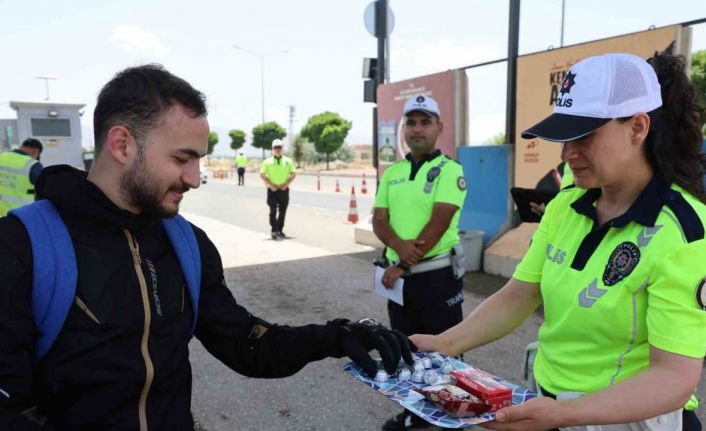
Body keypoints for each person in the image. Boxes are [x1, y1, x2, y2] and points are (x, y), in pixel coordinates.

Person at [0, 64, 414, 430]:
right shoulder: (22, 247)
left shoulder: (186, 244)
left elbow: (248, 345)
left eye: (199, 160)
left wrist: (337, 336)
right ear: (122, 145)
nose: (195, 179)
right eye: (182, 159)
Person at [411, 52, 706, 431]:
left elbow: (674, 378)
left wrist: (566, 414)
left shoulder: (686, 234)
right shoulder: (567, 205)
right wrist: (445, 344)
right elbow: (521, 293)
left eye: (584, 136)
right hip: (552, 408)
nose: (567, 154)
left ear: (637, 127)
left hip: (630, 421)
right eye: (564, 137)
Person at [372, 94, 468, 430]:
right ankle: (416, 412)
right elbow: (379, 221)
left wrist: (401, 264)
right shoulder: (393, 173)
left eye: (425, 121)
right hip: (400, 280)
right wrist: (397, 251)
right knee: (405, 346)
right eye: (410, 122)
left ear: (439, 127)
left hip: (436, 277)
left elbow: (438, 223)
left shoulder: (450, 170)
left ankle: (452, 414)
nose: (416, 129)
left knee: (444, 348)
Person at [260, 139, 296, 240]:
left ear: (282, 149)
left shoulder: (288, 161)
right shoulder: (267, 162)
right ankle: (274, 230)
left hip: (284, 189)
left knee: (282, 210)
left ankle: (280, 230)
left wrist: (286, 183)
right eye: (275, 147)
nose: (277, 149)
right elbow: (262, 174)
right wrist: (271, 185)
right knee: (273, 210)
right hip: (272, 190)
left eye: (279, 147)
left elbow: (293, 173)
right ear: (272, 149)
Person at [0, 138, 44, 216]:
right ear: (36, 151)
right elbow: (44, 189)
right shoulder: (33, 165)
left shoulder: (1, 157)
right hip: (22, 216)